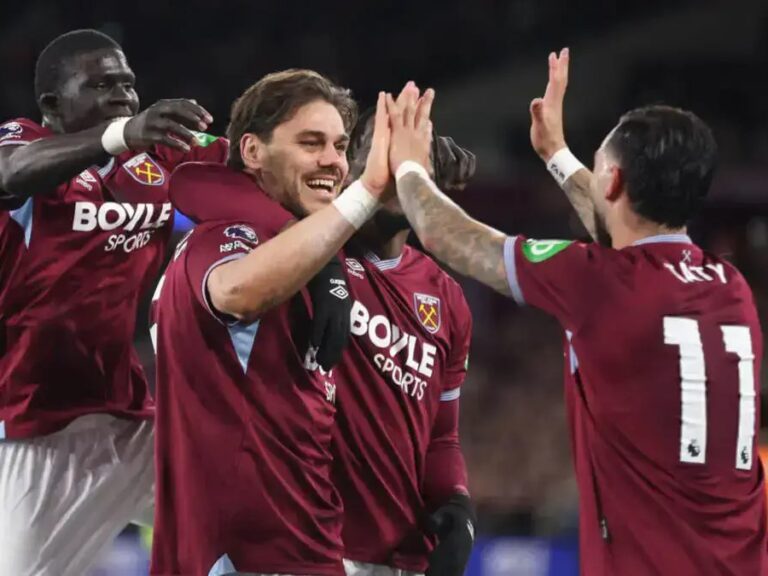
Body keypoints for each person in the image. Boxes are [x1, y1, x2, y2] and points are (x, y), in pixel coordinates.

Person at [385, 55, 766, 575]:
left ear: (612, 180)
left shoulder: (596, 281)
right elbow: (625, 227)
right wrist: (557, 155)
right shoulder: (730, 286)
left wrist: (407, 164)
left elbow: (448, 236)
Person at [0, 28, 231, 576]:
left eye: (127, 83)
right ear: (52, 103)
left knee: (247, 524)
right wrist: (122, 133)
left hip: (129, 419)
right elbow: (11, 171)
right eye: (101, 84)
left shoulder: (160, 155)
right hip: (33, 426)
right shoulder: (24, 142)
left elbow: (254, 164)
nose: (123, 95)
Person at [148, 70, 397, 576]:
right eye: (310, 143)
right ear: (252, 151)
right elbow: (234, 292)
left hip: (305, 547)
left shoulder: (304, 254)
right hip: (246, 556)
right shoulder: (227, 235)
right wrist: (365, 193)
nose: (333, 160)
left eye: (339, 146)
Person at [335, 102, 476, 576]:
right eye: (383, 149)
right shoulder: (306, 250)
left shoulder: (447, 298)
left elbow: (442, 435)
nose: (398, 166)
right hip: (311, 549)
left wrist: (456, 503)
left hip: (405, 558)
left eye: (412, 155)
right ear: (347, 164)